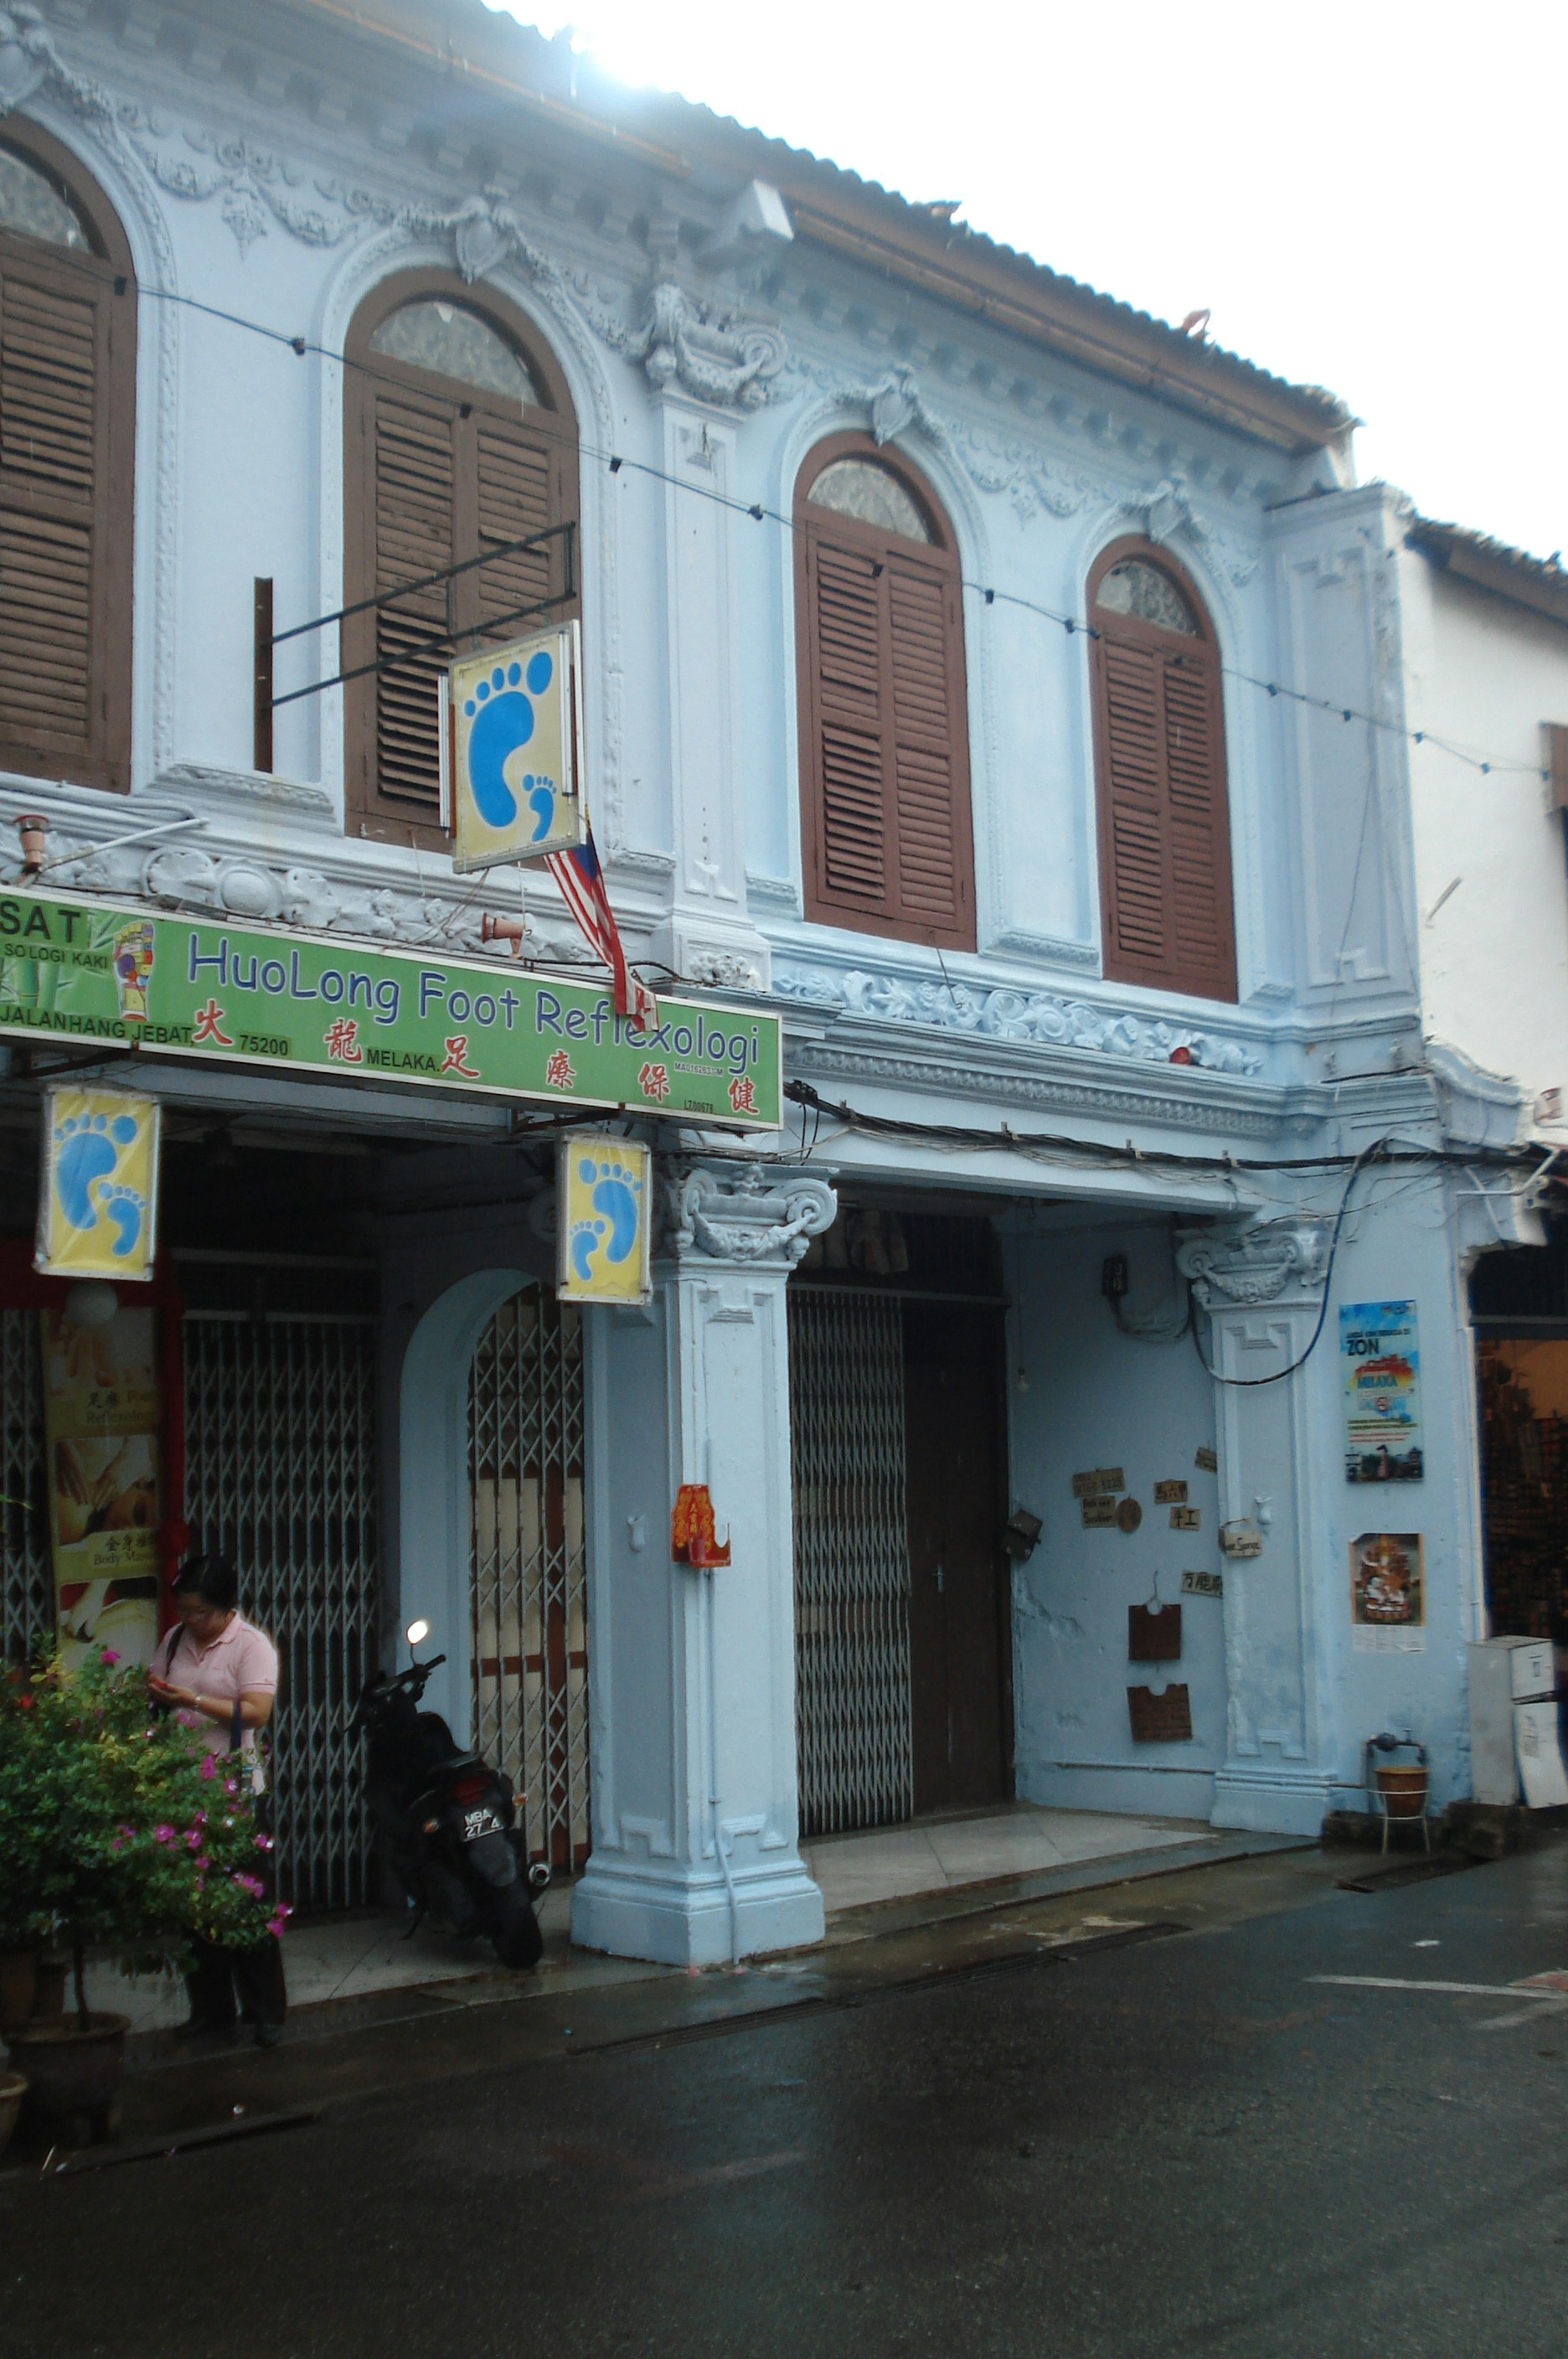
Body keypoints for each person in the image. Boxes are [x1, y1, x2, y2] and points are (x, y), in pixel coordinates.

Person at [147, 1553, 287, 2048]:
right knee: (196, 1908)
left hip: (234, 1794)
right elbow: (158, 1688)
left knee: (246, 1905)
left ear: (228, 1608)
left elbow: (255, 1712)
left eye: (200, 1612)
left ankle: (266, 2010)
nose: (190, 1621)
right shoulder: (174, 1641)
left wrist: (191, 1701)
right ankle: (211, 2010)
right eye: (184, 1611)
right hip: (183, 1792)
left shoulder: (251, 1647)